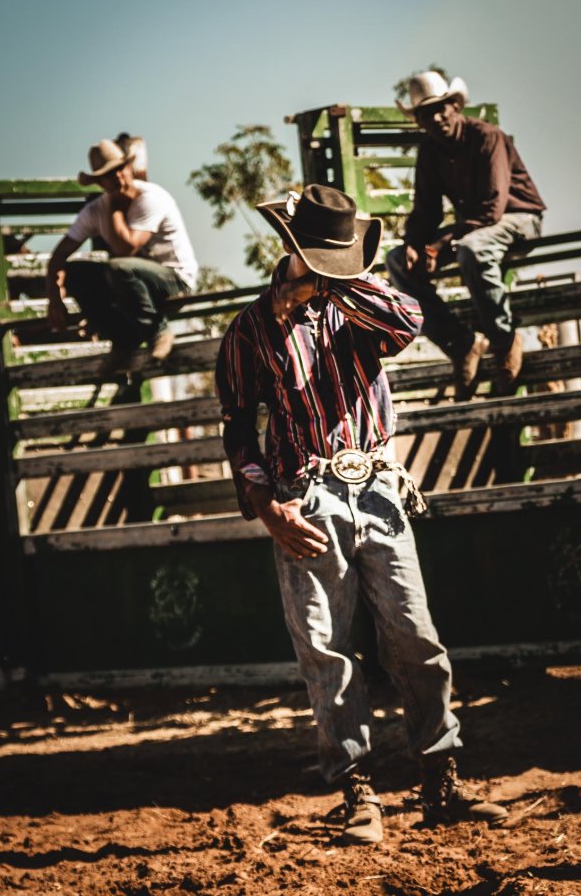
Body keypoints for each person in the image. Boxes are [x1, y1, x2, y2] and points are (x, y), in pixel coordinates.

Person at [215, 183, 508, 845]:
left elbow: (408, 319)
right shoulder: (251, 329)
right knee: (326, 648)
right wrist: (268, 508)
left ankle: (441, 778)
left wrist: (338, 285)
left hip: (376, 482)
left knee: (414, 633)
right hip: (304, 493)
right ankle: (357, 793)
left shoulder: (361, 309)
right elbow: (239, 427)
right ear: (293, 248)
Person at [386, 71, 545, 399]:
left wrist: (440, 243)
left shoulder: (487, 137)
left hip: (517, 218)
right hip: (473, 227)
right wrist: (414, 244)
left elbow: (492, 207)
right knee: (397, 262)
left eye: (442, 107)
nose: (437, 116)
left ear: (455, 105)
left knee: (472, 249)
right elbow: (426, 209)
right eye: (427, 112)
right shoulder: (429, 151)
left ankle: (504, 341)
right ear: (419, 121)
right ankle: (462, 344)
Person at [47, 139, 197, 371]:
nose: (117, 177)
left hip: (174, 280)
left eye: (119, 169)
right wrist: (54, 298)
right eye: (108, 175)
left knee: (119, 267)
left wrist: (115, 208)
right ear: (99, 182)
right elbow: (59, 256)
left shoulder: (150, 198)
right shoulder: (95, 211)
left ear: (128, 168)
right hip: (132, 286)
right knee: (76, 272)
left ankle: (158, 331)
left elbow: (125, 249)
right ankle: (123, 340)